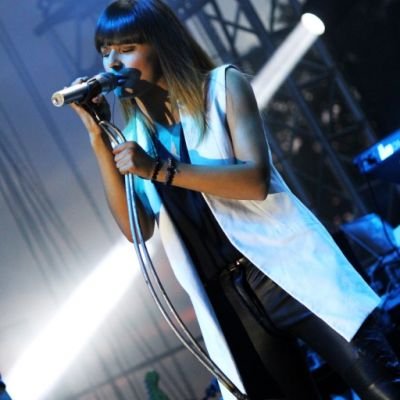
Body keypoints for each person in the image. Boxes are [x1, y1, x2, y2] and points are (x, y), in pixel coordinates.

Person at [70, 1, 400, 399]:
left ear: (161, 45)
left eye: (126, 49)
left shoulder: (222, 87)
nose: (112, 62)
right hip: (231, 305)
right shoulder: (136, 137)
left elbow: (254, 180)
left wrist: (159, 170)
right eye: (105, 51)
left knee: (383, 388)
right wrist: (98, 139)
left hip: (288, 269)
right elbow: (135, 229)